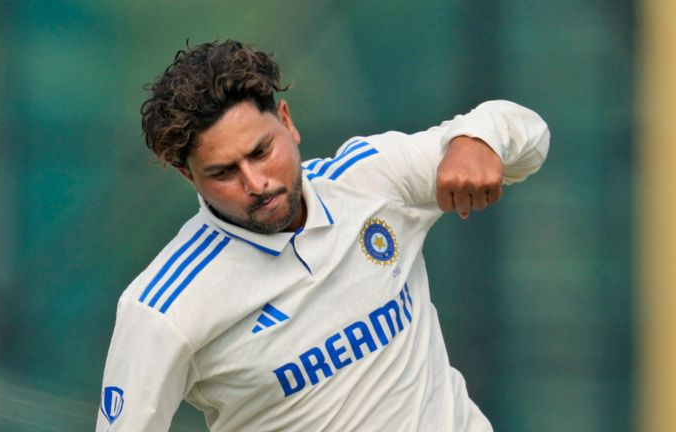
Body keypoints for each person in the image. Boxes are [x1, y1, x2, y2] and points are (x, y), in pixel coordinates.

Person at [96, 40, 549, 432]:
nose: (256, 182)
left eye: (261, 151)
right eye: (223, 172)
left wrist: (477, 139)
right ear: (186, 175)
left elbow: (525, 130)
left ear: (287, 122)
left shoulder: (372, 179)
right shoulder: (163, 309)